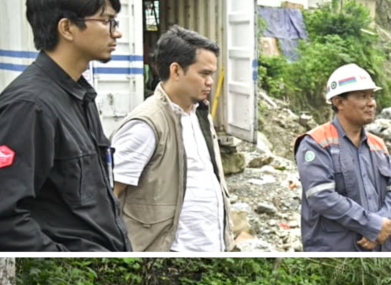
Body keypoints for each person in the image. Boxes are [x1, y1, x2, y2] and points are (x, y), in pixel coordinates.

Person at [0, 0, 130, 251]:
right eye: (106, 21)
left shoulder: (81, 97)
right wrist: (67, 266)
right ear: (67, 28)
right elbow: (6, 217)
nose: (117, 32)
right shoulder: (29, 106)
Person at [111, 26, 232, 252]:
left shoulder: (200, 115)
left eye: (212, 74)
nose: (210, 82)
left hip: (212, 248)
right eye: (204, 74)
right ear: (176, 70)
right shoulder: (146, 124)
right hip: (169, 250)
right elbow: (110, 194)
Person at [295, 63, 391, 252]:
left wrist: (381, 227)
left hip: (379, 249)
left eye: (372, 96)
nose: (371, 103)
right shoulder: (316, 142)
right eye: (362, 96)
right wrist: (372, 225)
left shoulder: (378, 145)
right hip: (336, 251)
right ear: (339, 102)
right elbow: (321, 196)